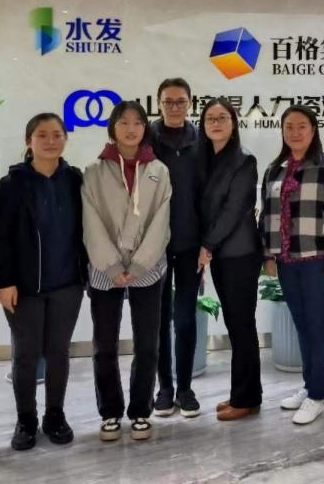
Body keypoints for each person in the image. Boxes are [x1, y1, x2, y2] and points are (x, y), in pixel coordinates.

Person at [0, 113, 87, 451]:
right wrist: (5, 282)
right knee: (26, 356)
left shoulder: (75, 181)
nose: (50, 141)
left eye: (57, 134)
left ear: (65, 140)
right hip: (25, 288)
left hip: (68, 284)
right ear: (28, 141)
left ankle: (55, 416)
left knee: (59, 353)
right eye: (42, 135)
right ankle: (26, 420)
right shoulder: (13, 184)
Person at [83, 100, 172, 443]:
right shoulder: (94, 171)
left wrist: (137, 264)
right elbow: (90, 222)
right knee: (105, 346)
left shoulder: (158, 170)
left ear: (145, 128)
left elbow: (161, 221)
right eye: (123, 122)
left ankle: (140, 411)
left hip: (147, 269)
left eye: (137, 122)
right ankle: (109, 412)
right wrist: (111, 264)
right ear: (113, 127)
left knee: (147, 344)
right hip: (104, 270)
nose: (131, 128)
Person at [261, 105, 324, 425]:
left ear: (313, 130)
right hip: (287, 261)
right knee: (301, 326)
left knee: (318, 327)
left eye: (302, 126)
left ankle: (318, 396)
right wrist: (268, 256)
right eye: (289, 126)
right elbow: (267, 214)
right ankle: (309, 385)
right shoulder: (275, 169)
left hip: (317, 261)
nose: (295, 132)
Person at [196, 98, 262, 421]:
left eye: (222, 117)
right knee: (236, 326)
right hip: (221, 253)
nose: (216, 123)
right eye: (210, 118)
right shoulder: (204, 157)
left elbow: (235, 209)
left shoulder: (243, 160)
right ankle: (245, 393)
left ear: (233, 123)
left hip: (239, 253)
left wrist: (206, 244)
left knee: (241, 324)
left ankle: (245, 399)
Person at [147, 78, 203, 418]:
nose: (174, 107)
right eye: (168, 101)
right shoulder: (147, 139)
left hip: (190, 244)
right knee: (158, 319)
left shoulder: (200, 140)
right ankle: (164, 388)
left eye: (180, 101)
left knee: (184, 318)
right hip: (154, 245)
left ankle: (185, 388)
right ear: (159, 103)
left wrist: (207, 242)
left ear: (189, 103)